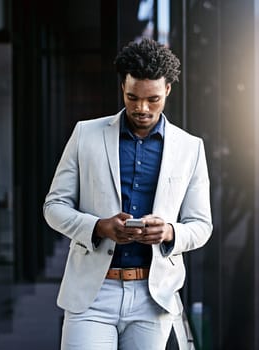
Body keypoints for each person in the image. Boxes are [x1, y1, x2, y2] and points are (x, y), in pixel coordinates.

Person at [43, 38, 212, 350]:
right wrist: (99, 227)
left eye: (153, 99)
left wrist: (170, 232)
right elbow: (54, 206)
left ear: (168, 91)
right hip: (92, 295)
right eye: (133, 97)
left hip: (153, 298)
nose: (142, 108)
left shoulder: (190, 148)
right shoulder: (85, 134)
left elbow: (201, 225)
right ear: (123, 87)